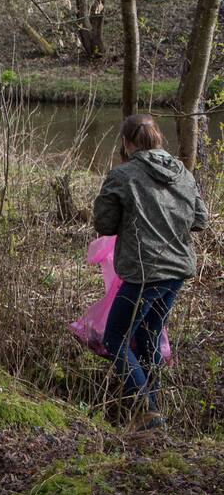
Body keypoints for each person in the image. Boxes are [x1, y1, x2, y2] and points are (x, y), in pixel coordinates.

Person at [92, 113, 208, 433]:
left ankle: (146, 408)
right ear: (158, 138)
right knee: (149, 335)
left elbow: (103, 223)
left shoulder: (123, 175)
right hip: (177, 273)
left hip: (144, 272)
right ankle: (154, 410)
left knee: (115, 338)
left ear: (127, 143)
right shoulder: (181, 172)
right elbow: (200, 219)